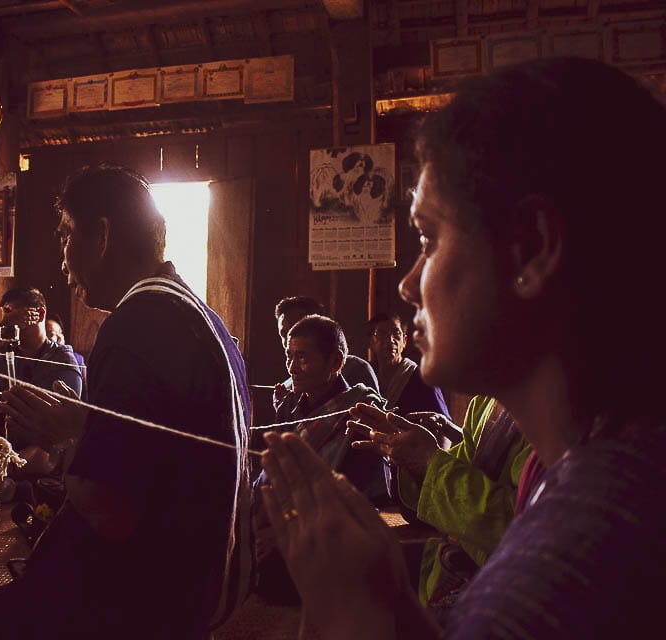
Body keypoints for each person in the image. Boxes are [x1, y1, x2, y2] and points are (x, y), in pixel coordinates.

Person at [259, 57, 666, 639]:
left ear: (529, 249)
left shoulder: (577, 560)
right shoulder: (599, 456)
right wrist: (391, 605)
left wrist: (354, 618)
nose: (407, 283)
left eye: (428, 238)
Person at [0, 163, 252, 639]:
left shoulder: (136, 323)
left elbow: (109, 512)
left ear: (101, 235)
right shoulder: (202, 315)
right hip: (209, 582)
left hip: (144, 597)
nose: (63, 261)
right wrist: (86, 428)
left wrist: (70, 439)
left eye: (65, 236)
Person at [349, 396, 531, 615]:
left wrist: (428, 460)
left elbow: (522, 530)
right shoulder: (484, 402)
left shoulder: (552, 416)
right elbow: (460, 468)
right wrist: (408, 454)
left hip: (507, 594)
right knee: (354, 562)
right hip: (452, 563)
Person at [254, 314, 386, 605]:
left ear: (336, 362)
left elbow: (353, 497)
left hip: (336, 535)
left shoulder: (361, 414)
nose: (292, 367)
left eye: (302, 357)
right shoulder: (289, 406)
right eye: (289, 357)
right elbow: (272, 471)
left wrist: (284, 532)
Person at [0, 287, 83, 440]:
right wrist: (1, 327)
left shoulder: (61, 358)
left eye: (18, 318)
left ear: (40, 314)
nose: (12, 326)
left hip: (34, 446)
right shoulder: (7, 351)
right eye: (7, 320)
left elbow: (59, 422)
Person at [273, 295, 378, 411]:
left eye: (302, 326)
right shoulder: (288, 390)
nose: (291, 337)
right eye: (284, 333)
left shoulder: (356, 369)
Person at [368, 312, 448, 417]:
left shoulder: (423, 380)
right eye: (382, 334)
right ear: (371, 342)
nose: (390, 340)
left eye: (396, 333)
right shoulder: (366, 375)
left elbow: (442, 422)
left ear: (404, 341)